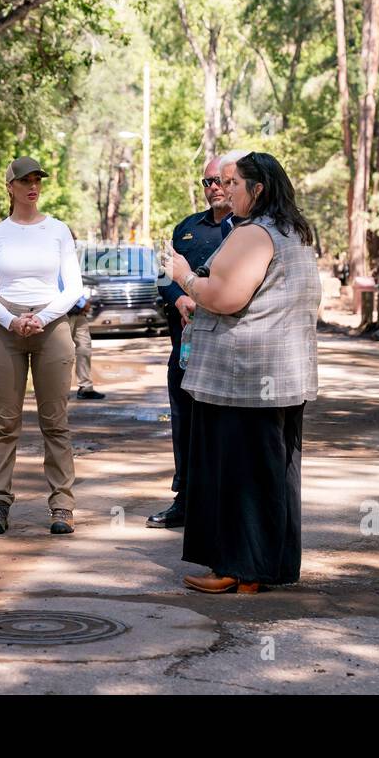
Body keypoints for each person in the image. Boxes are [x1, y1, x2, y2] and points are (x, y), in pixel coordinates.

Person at [162, 152, 320, 594]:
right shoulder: (294, 232)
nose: (227, 190)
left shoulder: (254, 233)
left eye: (235, 183)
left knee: (238, 477)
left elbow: (227, 297)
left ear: (258, 189)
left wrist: (185, 277)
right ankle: (264, 568)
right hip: (280, 378)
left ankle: (238, 570)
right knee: (271, 475)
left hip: (243, 380)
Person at [0, 157, 83, 535]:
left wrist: (43, 318)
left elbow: (74, 288)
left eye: (37, 179)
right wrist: (11, 320)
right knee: (5, 422)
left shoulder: (57, 230)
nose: (32, 186)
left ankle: (62, 505)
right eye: (24, 181)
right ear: (10, 187)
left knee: (55, 421)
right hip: (7, 327)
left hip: (50, 326)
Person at [145, 151, 240, 529]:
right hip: (185, 348)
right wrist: (180, 300)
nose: (214, 187)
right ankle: (184, 499)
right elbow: (164, 276)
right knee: (184, 422)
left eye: (221, 181)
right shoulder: (186, 228)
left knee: (224, 427)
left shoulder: (245, 230)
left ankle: (224, 504)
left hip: (227, 349)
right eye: (207, 182)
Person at [68, 287, 104, 400]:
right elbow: (64, 287)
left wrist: (82, 302)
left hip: (79, 312)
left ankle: (85, 388)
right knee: (63, 351)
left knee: (85, 348)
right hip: (64, 313)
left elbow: (75, 286)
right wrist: (82, 303)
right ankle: (59, 390)